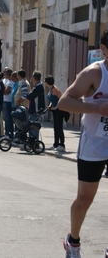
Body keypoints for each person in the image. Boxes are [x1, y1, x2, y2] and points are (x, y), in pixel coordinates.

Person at [58, 30, 108, 258]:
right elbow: (64, 102)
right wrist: (97, 108)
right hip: (94, 142)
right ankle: (73, 241)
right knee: (85, 198)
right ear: (104, 49)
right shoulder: (94, 73)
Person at [44, 75, 66, 152]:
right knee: (55, 128)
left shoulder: (55, 89)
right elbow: (52, 100)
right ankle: (56, 143)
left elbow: (62, 99)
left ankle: (62, 144)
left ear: (47, 82)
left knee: (59, 127)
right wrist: (50, 106)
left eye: (45, 81)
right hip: (54, 110)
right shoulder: (50, 90)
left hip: (59, 110)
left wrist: (56, 107)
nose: (44, 82)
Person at [2, 68, 14, 138]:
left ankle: (9, 133)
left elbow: (6, 92)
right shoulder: (8, 81)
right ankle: (7, 132)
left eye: (5, 74)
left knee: (8, 118)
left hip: (8, 101)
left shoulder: (11, 82)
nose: (4, 75)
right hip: (6, 100)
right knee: (6, 118)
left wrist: (2, 90)